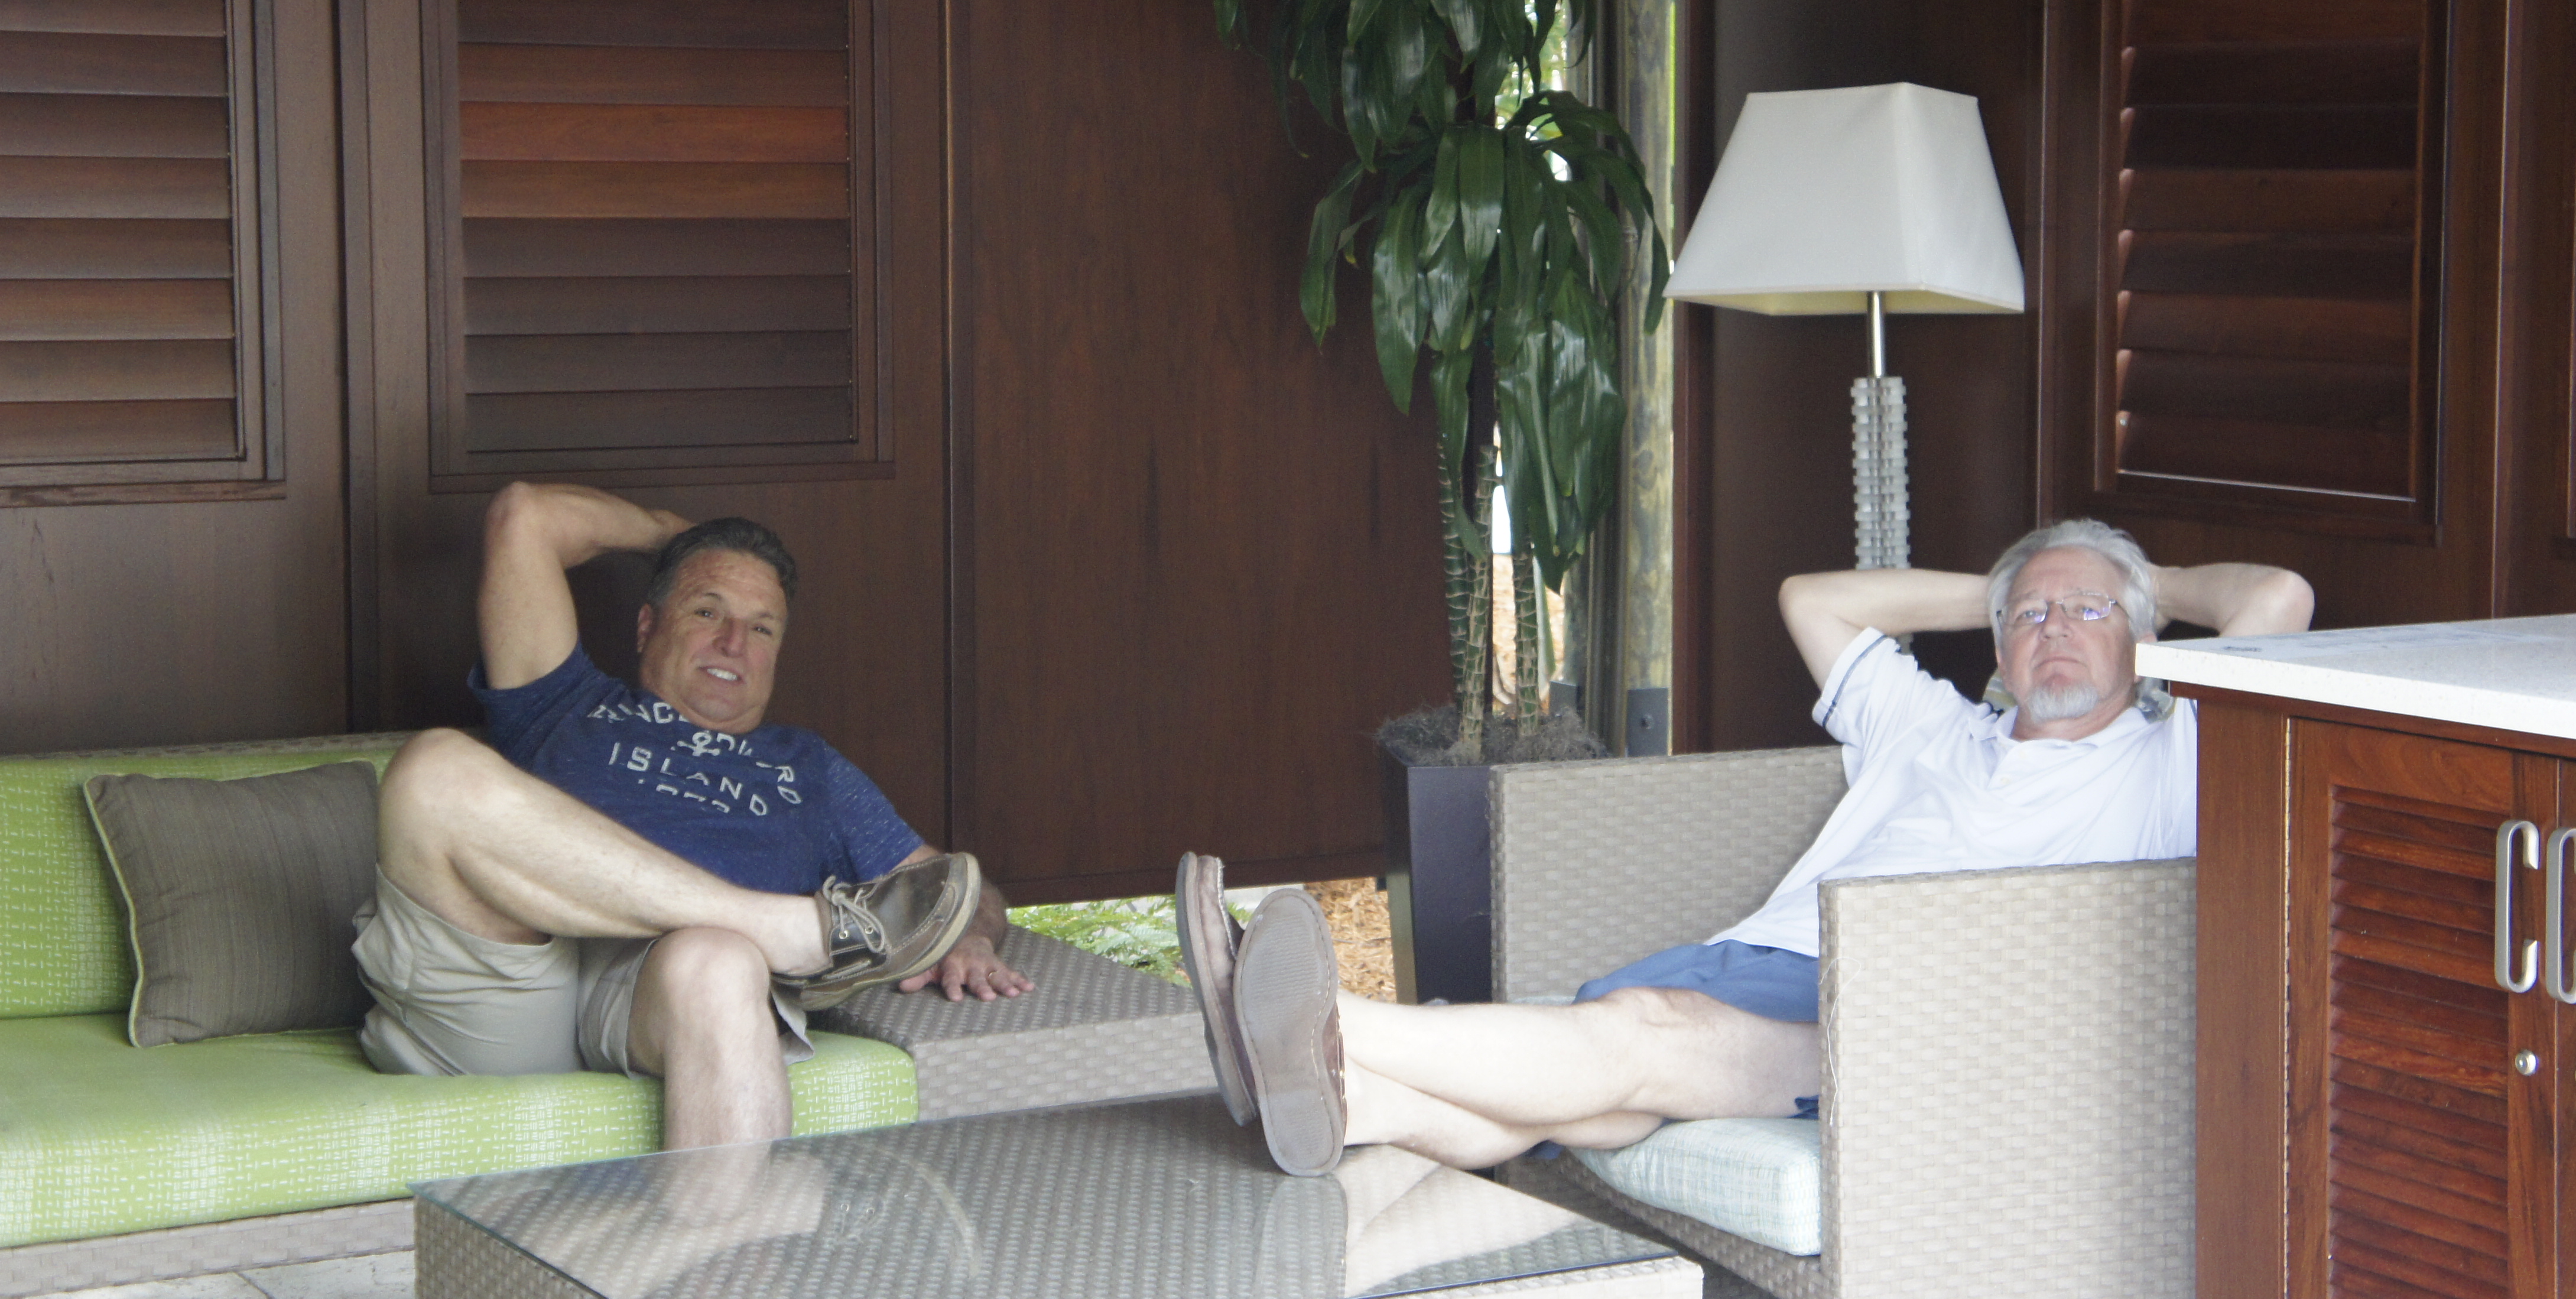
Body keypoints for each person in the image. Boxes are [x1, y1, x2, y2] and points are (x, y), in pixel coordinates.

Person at [1180, 518, 2314, 1174]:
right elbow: (1811, 599)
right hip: (1756, 961)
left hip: (1901, 1017)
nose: (2055, 629)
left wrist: (2127, 580)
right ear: (1998, 645)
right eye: (2032, 618)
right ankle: (1351, 1103)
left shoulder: (2174, 757)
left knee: (1640, 1036)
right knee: (1622, 1092)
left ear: (2146, 640)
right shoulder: (1930, 727)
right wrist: (2025, 579)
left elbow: (2280, 597)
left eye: (2088, 614)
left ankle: (1318, 1020)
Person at [355, 482, 1033, 1149]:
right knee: (434, 769)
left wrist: (969, 936)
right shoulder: (563, 703)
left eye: (761, 627)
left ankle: (730, 1225)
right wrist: (673, 536)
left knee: (720, 959)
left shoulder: (812, 770)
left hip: (661, 999)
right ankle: (777, 927)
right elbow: (524, 514)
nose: (734, 641)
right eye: (708, 610)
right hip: (508, 981)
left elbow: (943, 889)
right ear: (647, 625)